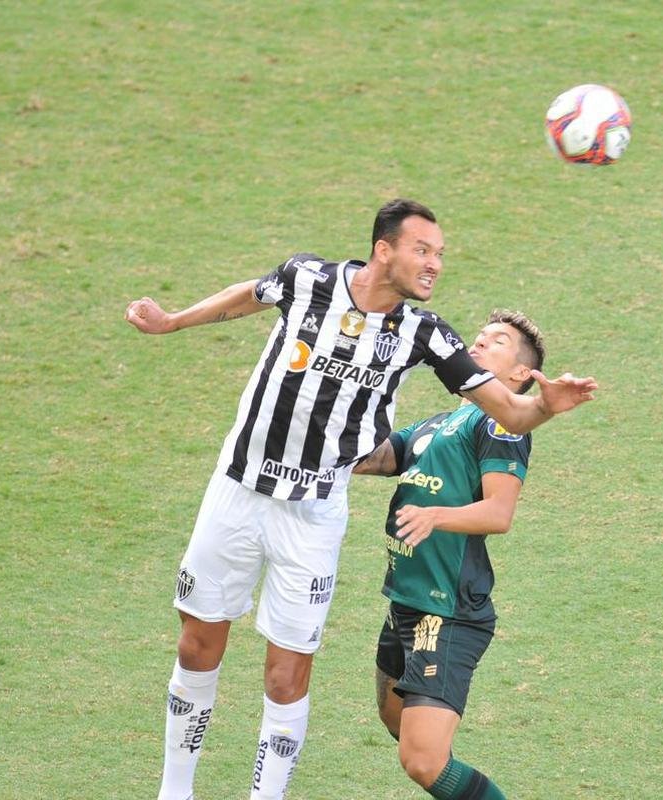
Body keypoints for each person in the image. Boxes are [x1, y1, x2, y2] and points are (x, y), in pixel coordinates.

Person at [124, 199, 598, 800]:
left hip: (314, 514)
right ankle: (176, 791)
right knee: (197, 642)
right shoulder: (308, 278)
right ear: (384, 249)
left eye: (440, 256)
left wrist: (545, 408)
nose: (434, 265)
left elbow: (511, 411)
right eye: (423, 251)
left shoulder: (426, 334)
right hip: (237, 490)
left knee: (288, 671)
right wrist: (173, 321)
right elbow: (254, 293)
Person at [353, 309, 548, 800]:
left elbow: (499, 513)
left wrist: (436, 516)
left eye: (497, 342)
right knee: (396, 720)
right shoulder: (443, 423)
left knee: (422, 761)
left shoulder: (501, 426)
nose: (478, 345)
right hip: (406, 601)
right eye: (478, 338)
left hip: (449, 611)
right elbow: (374, 458)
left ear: (520, 374)